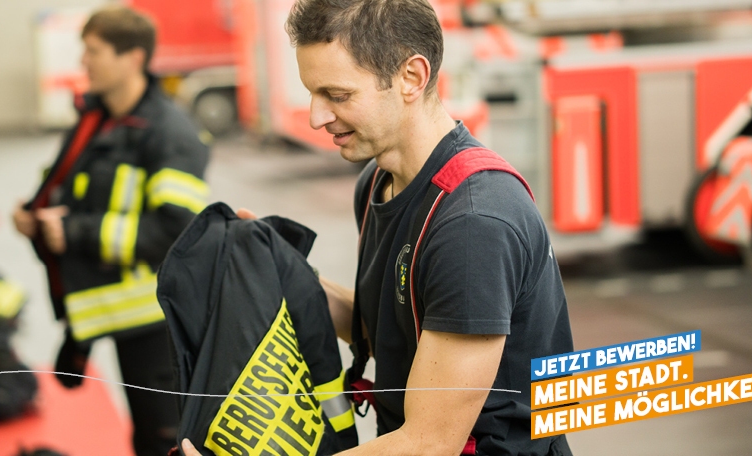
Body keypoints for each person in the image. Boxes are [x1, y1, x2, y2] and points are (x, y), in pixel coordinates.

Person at [182, 0, 573, 454]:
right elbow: (392, 327)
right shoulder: (377, 183)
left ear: (411, 77)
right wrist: (275, 267)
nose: (316, 117)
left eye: (338, 95)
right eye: (312, 92)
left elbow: (429, 443)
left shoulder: (473, 224)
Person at [13, 6, 211, 455]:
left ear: (133, 58)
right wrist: (35, 214)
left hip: (156, 324)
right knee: (143, 436)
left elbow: (180, 229)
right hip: (117, 316)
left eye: (94, 51)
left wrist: (77, 232)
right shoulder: (99, 120)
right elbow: (74, 188)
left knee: (162, 440)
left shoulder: (169, 132)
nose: (83, 62)